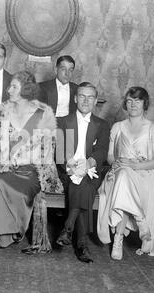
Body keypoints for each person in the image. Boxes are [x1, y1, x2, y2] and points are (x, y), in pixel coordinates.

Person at [0, 71, 63, 260]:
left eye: (13, 86)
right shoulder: (0, 111)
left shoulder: (43, 114)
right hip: (4, 168)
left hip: (30, 171)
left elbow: (45, 151)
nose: (8, 89)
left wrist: (17, 160)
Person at [97, 87, 154, 260]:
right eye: (129, 101)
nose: (133, 104)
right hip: (118, 172)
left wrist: (135, 164)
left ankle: (118, 239)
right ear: (125, 104)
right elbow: (109, 157)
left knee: (124, 180)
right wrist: (117, 162)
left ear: (145, 104)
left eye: (137, 100)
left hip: (145, 174)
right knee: (122, 176)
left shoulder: (153, 129)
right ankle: (141, 222)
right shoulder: (117, 127)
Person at [55, 82, 110, 263]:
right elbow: (61, 153)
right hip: (68, 171)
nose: (86, 100)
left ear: (95, 101)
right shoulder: (63, 122)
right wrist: (73, 170)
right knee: (80, 185)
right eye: (82, 96)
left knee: (84, 183)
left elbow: (101, 151)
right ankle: (81, 243)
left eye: (90, 97)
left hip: (91, 171)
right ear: (75, 99)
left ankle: (68, 227)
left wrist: (87, 165)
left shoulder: (101, 125)